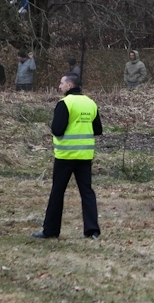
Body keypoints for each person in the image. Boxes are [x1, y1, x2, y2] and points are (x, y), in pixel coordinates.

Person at [32, 73, 102, 240]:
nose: (59, 86)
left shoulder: (65, 103)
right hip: (85, 156)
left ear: (70, 85)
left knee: (57, 192)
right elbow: (98, 130)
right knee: (87, 192)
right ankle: (92, 230)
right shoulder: (90, 103)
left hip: (65, 155)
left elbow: (57, 129)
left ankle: (51, 230)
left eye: (61, 83)